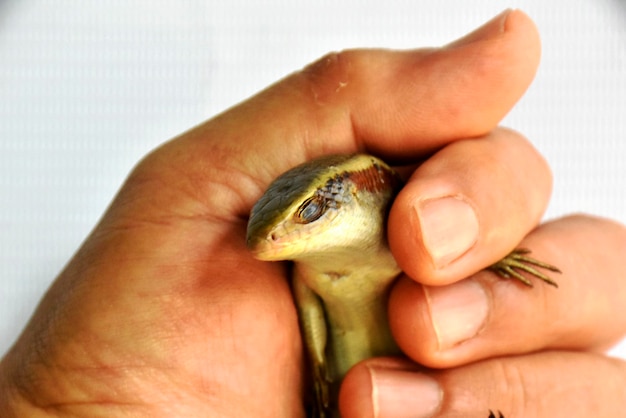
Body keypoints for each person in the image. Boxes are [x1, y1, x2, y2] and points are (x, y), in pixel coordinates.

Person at [1, 9, 625, 417]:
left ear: (343, 196)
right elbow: (314, 335)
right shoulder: (304, 270)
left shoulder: (407, 216)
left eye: (301, 217)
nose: (272, 241)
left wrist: (498, 252)